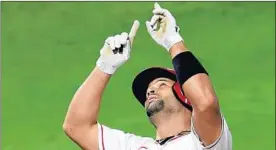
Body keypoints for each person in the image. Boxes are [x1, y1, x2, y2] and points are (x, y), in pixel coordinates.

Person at [63, 3, 232, 150]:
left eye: (162, 84)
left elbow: (205, 102)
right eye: (148, 91)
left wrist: (173, 40)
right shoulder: (131, 146)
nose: (151, 90)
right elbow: (77, 126)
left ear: (184, 95)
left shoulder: (206, 141)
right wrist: (105, 65)